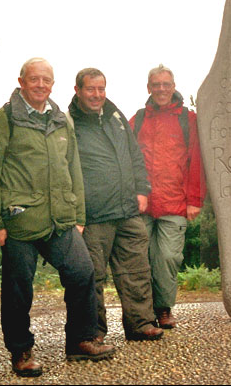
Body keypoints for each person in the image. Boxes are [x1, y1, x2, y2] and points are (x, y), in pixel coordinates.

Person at [0, 58, 115, 377]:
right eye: (34, 79)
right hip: (19, 220)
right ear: (21, 81)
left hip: (61, 219)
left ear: (53, 85)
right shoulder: (2, 121)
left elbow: (73, 167)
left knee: (82, 272)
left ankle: (79, 341)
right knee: (19, 288)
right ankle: (21, 350)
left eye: (46, 80)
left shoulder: (61, 120)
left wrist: (78, 215)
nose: (40, 85)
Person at [69, 68, 163, 342]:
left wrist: (142, 189)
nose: (97, 95)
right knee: (93, 277)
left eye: (101, 89)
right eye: (90, 89)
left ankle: (141, 324)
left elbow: (134, 154)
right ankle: (93, 332)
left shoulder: (115, 117)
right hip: (94, 214)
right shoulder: (69, 123)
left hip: (127, 209)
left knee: (136, 270)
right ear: (78, 90)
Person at [129, 64, 207, 329]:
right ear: (149, 88)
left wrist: (195, 199)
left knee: (167, 257)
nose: (161, 89)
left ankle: (163, 308)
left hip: (175, 203)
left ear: (173, 87)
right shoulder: (138, 119)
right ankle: (144, 313)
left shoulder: (188, 119)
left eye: (166, 84)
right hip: (142, 204)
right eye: (156, 84)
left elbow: (197, 160)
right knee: (142, 258)